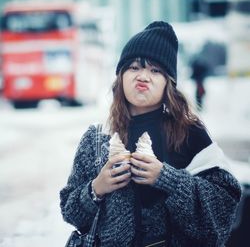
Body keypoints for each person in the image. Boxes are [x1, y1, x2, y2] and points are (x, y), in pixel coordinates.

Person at [60, 21, 241, 247]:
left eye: (155, 70)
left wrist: (167, 179)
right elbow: (71, 212)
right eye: (134, 67)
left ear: (168, 83)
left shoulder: (190, 134)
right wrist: (96, 188)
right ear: (121, 77)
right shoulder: (98, 138)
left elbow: (222, 211)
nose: (143, 76)